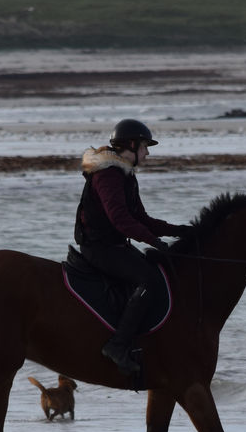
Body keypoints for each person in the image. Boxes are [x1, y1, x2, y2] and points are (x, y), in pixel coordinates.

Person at [75, 118, 185, 375]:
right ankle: (118, 345)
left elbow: (141, 219)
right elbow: (120, 219)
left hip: (114, 245)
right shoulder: (108, 174)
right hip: (99, 248)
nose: (147, 153)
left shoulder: (124, 172)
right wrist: (153, 241)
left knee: (157, 270)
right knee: (149, 281)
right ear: (132, 144)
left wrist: (179, 231)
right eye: (145, 147)